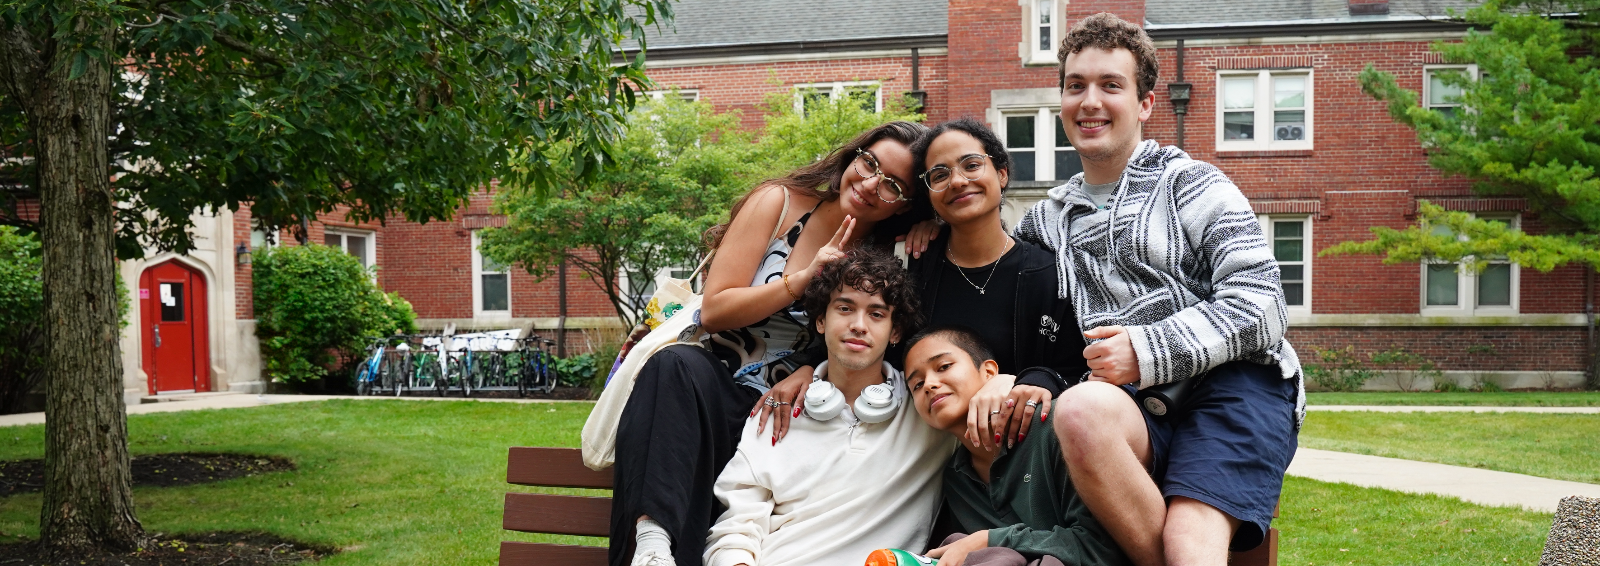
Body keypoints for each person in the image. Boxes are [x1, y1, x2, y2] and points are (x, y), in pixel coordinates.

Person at [1013, 13, 1303, 566]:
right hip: (1137, 405)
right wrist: (927, 227)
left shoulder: (1194, 185)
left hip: (1235, 385)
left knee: (1190, 543)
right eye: (1076, 86)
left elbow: (1264, 303)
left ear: (1145, 104)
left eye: (1110, 85)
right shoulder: (1045, 221)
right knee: (1079, 411)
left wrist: (1145, 350)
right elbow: (988, 260)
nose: (1090, 101)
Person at [613, 121, 929, 566]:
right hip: (712, 387)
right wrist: (799, 281)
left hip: (792, 409)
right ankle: (652, 546)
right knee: (675, 365)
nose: (871, 184)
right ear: (853, 156)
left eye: (893, 185)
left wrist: (807, 367)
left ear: (906, 204)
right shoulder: (779, 204)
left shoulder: (884, 253)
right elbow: (716, 310)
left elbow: (871, 332)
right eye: (870, 163)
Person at [703, 248, 951, 566]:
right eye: (845, 308)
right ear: (821, 320)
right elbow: (735, 530)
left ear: (896, 331)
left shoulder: (925, 408)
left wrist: (1008, 384)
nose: (859, 325)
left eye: (876, 314)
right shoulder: (777, 409)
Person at [903, 118, 1091, 453]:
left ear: (1001, 173)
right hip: (929, 454)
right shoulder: (913, 267)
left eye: (971, 165)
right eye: (940, 175)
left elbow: (1076, 369)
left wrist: (1030, 380)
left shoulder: (1049, 273)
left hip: (1026, 458)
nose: (958, 181)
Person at [904, 325, 1131, 566]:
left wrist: (991, 539)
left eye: (943, 367)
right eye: (917, 385)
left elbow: (1104, 549)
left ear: (989, 372)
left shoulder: (1053, 425)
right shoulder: (956, 478)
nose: (929, 384)